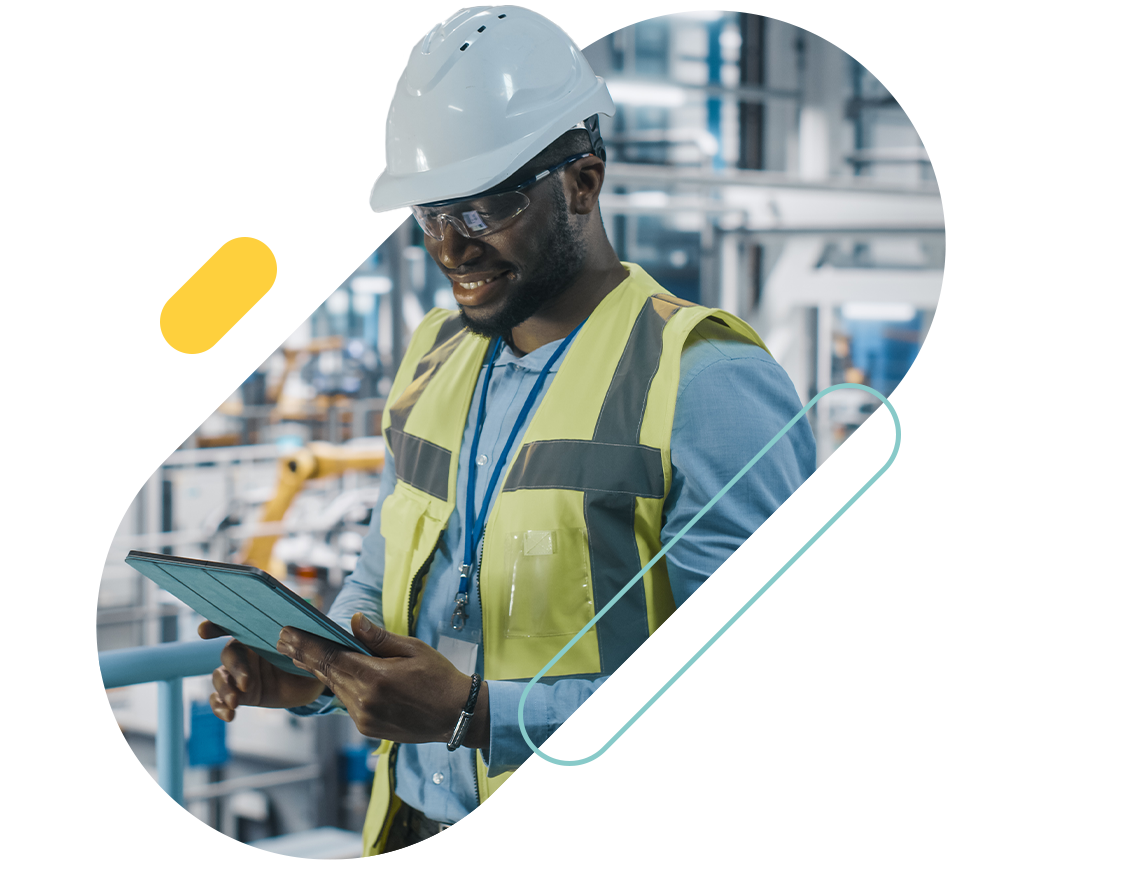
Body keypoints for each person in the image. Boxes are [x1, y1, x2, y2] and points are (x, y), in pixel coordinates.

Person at [199, 6, 815, 860]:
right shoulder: (434, 356)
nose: (452, 247)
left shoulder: (706, 380)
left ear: (582, 184)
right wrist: (317, 672)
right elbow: (382, 584)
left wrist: (471, 716)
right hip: (415, 837)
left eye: (485, 207)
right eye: (429, 214)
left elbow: (760, 694)